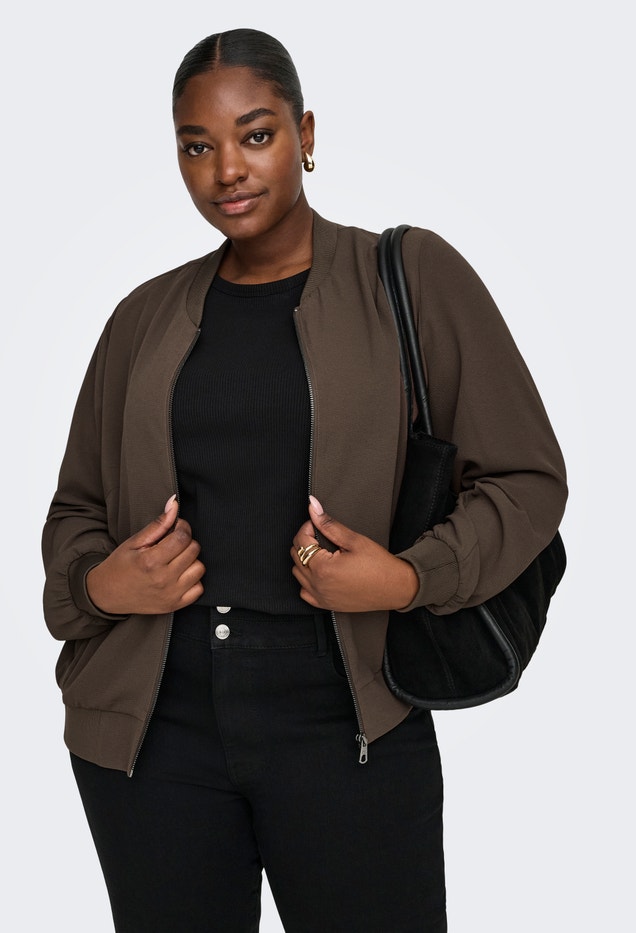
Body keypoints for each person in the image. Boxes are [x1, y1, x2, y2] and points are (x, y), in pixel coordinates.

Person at [42, 27, 567, 933]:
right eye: (196, 146)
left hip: (346, 720)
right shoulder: (141, 318)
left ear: (306, 133)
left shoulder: (409, 276)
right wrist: (102, 583)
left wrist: (407, 578)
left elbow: (527, 480)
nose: (227, 171)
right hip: (151, 734)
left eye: (256, 135)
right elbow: (74, 511)